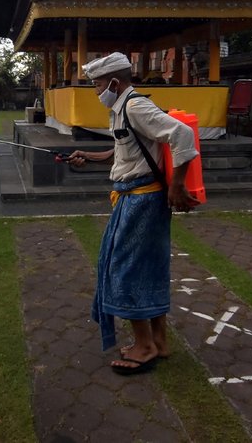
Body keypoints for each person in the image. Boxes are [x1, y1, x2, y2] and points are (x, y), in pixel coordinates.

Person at [67, 52, 200, 375]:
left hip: (142, 200)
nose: (97, 91)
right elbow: (125, 149)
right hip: (133, 197)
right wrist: (91, 156)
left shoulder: (135, 105)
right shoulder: (121, 108)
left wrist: (176, 186)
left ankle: (144, 346)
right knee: (149, 267)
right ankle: (159, 341)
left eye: (98, 85)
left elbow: (181, 135)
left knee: (125, 269)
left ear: (114, 82)